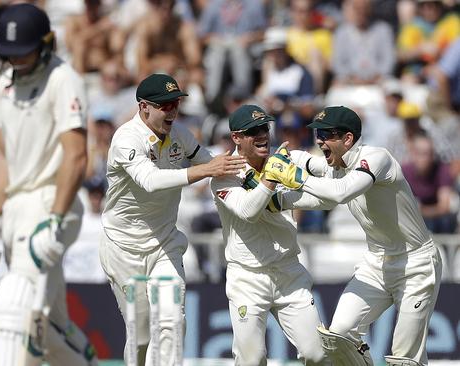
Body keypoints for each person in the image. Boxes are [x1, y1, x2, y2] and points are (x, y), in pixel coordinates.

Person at [0, 4, 98, 366]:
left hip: (52, 202)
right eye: (10, 55)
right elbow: (4, 154)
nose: (17, 62)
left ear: (45, 44)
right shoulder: (5, 84)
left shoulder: (62, 79)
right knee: (46, 320)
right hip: (14, 208)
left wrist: (56, 219)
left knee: (12, 306)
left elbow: (75, 155)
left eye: (23, 53)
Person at [266, 106, 443, 365]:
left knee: (404, 358)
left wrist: (295, 176)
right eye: (318, 134)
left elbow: (341, 192)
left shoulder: (376, 158)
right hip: (377, 263)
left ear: (348, 139)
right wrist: (279, 197)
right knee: (338, 337)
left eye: (326, 135)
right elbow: (323, 196)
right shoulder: (337, 165)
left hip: (415, 264)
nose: (319, 140)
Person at [100, 73, 246, 366]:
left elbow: (213, 164)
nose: (172, 111)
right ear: (144, 108)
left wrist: (259, 176)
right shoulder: (126, 138)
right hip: (123, 248)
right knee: (141, 337)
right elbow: (150, 181)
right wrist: (206, 171)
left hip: (164, 243)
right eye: (165, 105)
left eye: (175, 104)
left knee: (172, 321)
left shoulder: (180, 135)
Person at [209, 105, 326, 365]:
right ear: (236, 138)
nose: (262, 135)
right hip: (247, 278)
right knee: (252, 359)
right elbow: (248, 211)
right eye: (253, 131)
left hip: (288, 274)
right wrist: (271, 177)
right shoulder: (224, 175)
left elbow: (323, 174)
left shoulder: (287, 159)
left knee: (316, 354)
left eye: (264, 128)